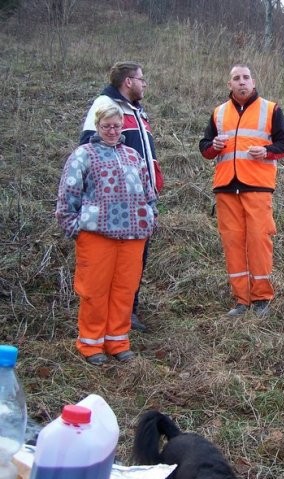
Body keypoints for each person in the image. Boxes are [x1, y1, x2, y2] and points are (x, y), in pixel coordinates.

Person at [56, 102, 157, 366]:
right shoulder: (83, 154)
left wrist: (150, 217)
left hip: (133, 235)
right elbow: (67, 196)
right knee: (94, 290)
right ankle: (91, 344)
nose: (112, 131)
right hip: (96, 235)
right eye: (106, 126)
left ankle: (118, 341)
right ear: (97, 126)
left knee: (125, 289)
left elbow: (149, 192)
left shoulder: (133, 155)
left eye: (116, 126)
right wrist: (74, 227)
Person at [199, 64, 284, 317]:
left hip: (257, 187)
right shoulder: (218, 113)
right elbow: (205, 149)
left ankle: (262, 298)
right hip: (226, 188)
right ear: (229, 85)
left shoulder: (271, 109)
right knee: (232, 244)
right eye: (236, 78)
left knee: (259, 241)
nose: (241, 82)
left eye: (245, 78)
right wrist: (214, 146)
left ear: (253, 82)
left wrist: (266, 151)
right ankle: (241, 300)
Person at [80, 61, 161, 333]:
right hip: (112, 205)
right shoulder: (104, 106)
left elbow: (143, 157)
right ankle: (107, 319)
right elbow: (88, 152)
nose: (144, 83)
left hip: (140, 201)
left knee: (135, 260)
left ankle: (127, 313)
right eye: (141, 78)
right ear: (128, 81)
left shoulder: (138, 111)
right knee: (109, 264)